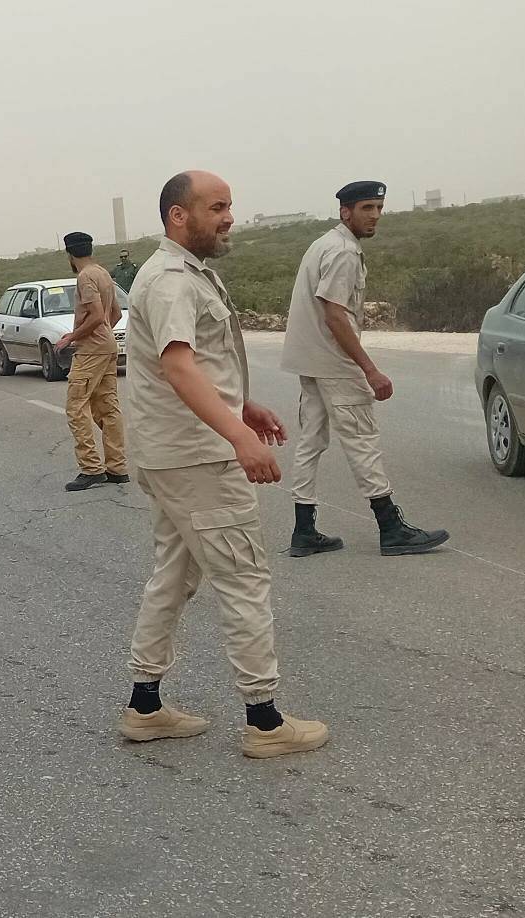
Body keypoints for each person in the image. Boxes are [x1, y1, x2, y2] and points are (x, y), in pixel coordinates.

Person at [118, 171, 327, 758]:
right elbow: (179, 366)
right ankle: (265, 721)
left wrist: (243, 406)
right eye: (217, 207)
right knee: (243, 577)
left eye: (229, 206)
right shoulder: (170, 281)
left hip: (177, 454)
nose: (229, 217)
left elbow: (199, 364)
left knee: (175, 574)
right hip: (198, 459)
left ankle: (144, 706)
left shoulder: (187, 274)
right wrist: (238, 436)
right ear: (178, 215)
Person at [279, 180, 448, 558]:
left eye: (379, 208)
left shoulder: (325, 243)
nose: (375, 216)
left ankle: (304, 530)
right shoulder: (342, 252)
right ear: (346, 212)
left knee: (311, 442)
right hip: (334, 362)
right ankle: (391, 528)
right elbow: (335, 315)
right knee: (362, 440)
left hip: (312, 360)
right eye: (367, 208)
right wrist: (370, 370)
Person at [55, 231, 129, 491]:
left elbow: (97, 315)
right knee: (108, 407)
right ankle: (117, 468)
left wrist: (72, 337)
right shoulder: (103, 273)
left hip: (91, 352)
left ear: (70, 254)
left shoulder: (85, 277)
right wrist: (104, 334)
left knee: (76, 407)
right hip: (107, 348)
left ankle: (91, 468)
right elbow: (115, 313)